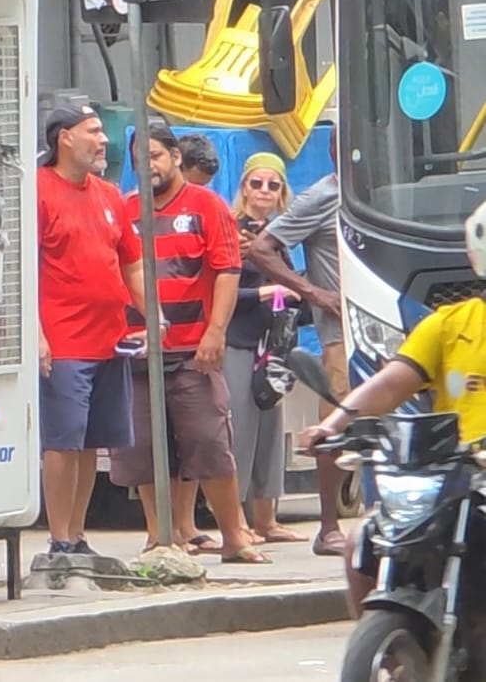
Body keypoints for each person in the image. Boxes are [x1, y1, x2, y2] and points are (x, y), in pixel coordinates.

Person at [297, 198, 486, 616]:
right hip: (457, 477)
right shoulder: (449, 324)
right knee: (361, 541)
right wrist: (336, 424)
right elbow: (391, 383)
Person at [109, 120, 270, 564]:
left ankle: (234, 536)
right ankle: (159, 538)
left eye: (156, 156)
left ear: (176, 157)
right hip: (139, 349)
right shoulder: (125, 210)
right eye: (141, 159)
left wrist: (215, 332)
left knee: (208, 440)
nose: (149, 166)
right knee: (141, 447)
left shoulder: (207, 205)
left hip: (193, 349)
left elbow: (227, 271)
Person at [36, 104, 151, 555]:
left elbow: (133, 265)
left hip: (108, 339)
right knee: (62, 441)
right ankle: (58, 537)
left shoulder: (109, 196)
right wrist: (37, 336)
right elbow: (20, 271)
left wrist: (152, 315)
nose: (103, 140)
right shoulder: (38, 191)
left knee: (89, 442)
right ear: (65, 138)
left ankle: (77, 535)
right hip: (63, 340)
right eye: (94, 131)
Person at [249, 131, 348, 558]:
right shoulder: (322, 195)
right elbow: (262, 248)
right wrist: (315, 293)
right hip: (341, 333)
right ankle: (329, 527)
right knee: (336, 423)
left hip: (392, 323)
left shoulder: (385, 195)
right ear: (334, 149)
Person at [223, 153, 308, 546]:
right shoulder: (230, 231)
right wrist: (265, 291)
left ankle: (266, 518)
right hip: (237, 339)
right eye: (256, 184)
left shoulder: (277, 235)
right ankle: (234, 519)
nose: (263, 192)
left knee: (271, 429)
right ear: (243, 188)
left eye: (272, 185)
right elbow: (219, 294)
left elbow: (292, 288)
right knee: (240, 427)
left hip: (272, 344)